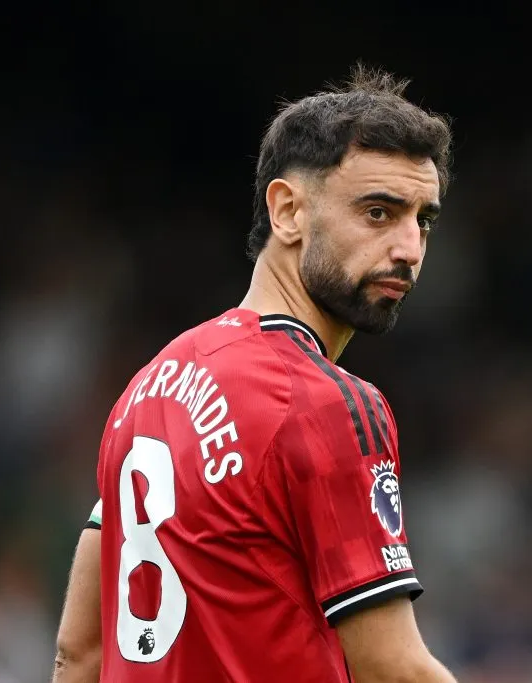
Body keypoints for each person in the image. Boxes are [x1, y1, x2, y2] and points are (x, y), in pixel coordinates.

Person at [51, 65, 458, 683]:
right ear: (288, 211)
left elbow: (78, 653)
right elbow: (393, 669)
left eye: (422, 220)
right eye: (378, 213)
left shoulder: (148, 388)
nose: (409, 249)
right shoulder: (325, 404)